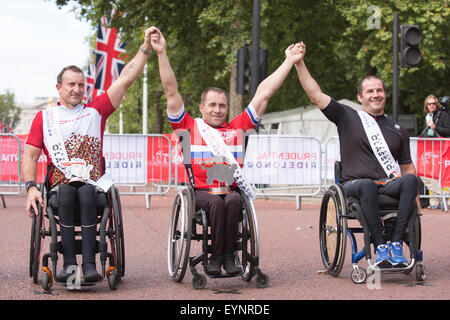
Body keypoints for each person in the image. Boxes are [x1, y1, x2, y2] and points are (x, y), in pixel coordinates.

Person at [151, 26, 303, 276]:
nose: (218, 110)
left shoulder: (238, 128)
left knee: (232, 201)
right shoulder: (188, 126)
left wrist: (288, 61)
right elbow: (170, 90)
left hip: (230, 190)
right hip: (199, 192)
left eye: (222, 105)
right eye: (212, 105)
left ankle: (228, 256)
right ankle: (215, 257)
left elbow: (264, 93)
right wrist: (162, 52)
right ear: (201, 107)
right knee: (215, 203)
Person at [23, 27, 156, 283]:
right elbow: (30, 155)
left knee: (84, 192)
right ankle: (70, 266)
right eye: (71, 84)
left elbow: (126, 79)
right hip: (60, 186)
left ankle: (90, 264)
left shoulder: (97, 110)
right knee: (66, 192)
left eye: (81, 85)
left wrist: (145, 48)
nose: (77, 89)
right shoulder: (44, 118)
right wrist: (30, 188)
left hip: (92, 184)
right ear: (59, 87)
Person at [293, 42, 419, 267]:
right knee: (367, 185)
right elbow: (315, 95)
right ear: (360, 97)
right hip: (354, 186)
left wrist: (415, 204)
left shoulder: (397, 130)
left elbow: (407, 167)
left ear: (384, 95)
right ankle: (380, 247)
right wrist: (299, 63)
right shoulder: (347, 116)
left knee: (411, 179)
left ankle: (396, 244)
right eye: (370, 91)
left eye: (379, 90)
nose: (376, 95)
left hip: (387, 185)